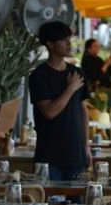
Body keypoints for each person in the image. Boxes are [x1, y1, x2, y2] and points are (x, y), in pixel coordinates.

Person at [28, 21, 90, 180]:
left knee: (78, 203)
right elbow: (49, 112)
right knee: (49, 202)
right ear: (50, 44)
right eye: (63, 40)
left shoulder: (77, 72)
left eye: (69, 39)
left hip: (76, 153)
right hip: (49, 155)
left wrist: (86, 146)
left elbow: (83, 110)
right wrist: (70, 88)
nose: (69, 44)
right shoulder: (39, 75)